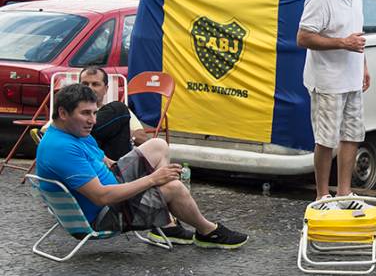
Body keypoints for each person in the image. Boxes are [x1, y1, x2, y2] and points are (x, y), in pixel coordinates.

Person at [36, 84, 248, 248]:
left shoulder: (71, 132)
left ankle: (167, 222)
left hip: (113, 186)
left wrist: (139, 175)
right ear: (63, 113)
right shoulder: (62, 148)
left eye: (94, 112)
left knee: (157, 146)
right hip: (106, 213)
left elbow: (104, 161)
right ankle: (207, 231)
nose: (92, 120)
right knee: (173, 188)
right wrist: (153, 180)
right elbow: (101, 197)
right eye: (85, 113)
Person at [296, 0, 371, 207]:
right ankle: (321, 195)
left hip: (351, 77)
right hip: (327, 81)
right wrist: (342, 43)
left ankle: (344, 193)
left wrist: (363, 64)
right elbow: (303, 38)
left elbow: (356, 32)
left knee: (352, 135)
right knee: (326, 140)